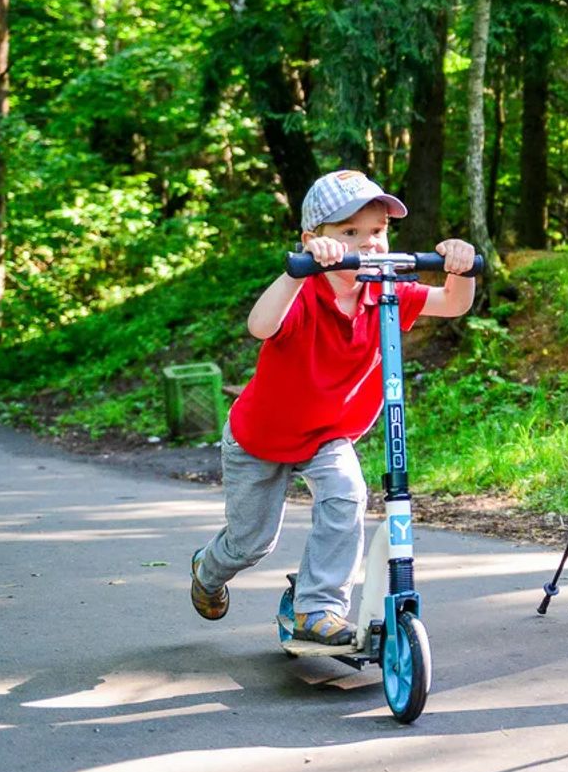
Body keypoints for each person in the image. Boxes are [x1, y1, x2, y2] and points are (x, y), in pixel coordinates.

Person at [189, 170, 478, 647]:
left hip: (327, 434)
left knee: (347, 494)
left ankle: (318, 608)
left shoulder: (386, 291)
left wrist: (460, 268)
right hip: (260, 439)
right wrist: (298, 268)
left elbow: (452, 303)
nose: (368, 245)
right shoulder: (304, 291)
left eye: (378, 232)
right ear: (313, 239)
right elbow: (260, 326)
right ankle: (208, 568)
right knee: (250, 542)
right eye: (349, 233)